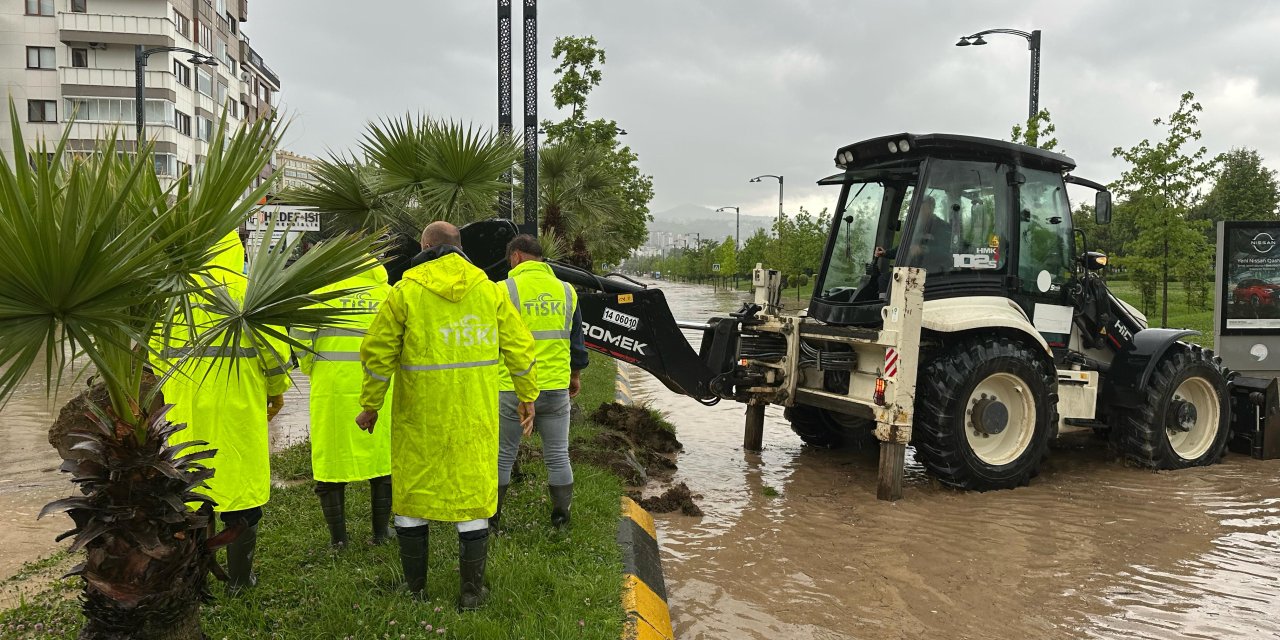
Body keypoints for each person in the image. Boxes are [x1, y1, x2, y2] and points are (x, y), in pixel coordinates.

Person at [356, 221, 539, 610]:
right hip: (474, 418)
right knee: (471, 499)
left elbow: (378, 353)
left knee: (412, 498)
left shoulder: (404, 292)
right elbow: (520, 348)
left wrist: (371, 404)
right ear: (460, 247)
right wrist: (527, 396)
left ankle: (415, 589)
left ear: (425, 246)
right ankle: (471, 593)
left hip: (418, 418)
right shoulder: (489, 291)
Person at [152, 232, 292, 595]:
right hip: (238, 412)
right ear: (236, 251)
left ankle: (195, 576)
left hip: (184, 412)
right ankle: (240, 580)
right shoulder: (250, 292)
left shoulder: (172, 296)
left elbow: (154, 356)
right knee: (240, 492)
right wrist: (276, 390)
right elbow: (274, 354)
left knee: (193, 494)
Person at [493, 234, 590, 534]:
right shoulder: (566, 290)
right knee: (558, 454)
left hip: (512, 387)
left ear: (517, 256)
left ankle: (491, 522)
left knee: (503, 455)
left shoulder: (502, 289)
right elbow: (576, 339)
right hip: (555, 387)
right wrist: (575, 376)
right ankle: (561, 521)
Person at [294, 260, 394, 548]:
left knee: (332, 459)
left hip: (332, 386)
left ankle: (339, 539)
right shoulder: (387, 294)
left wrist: (310, 366)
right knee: (382, 458)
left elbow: (299, 334)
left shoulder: (321, 291)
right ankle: (380, 533)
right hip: (380, 386)